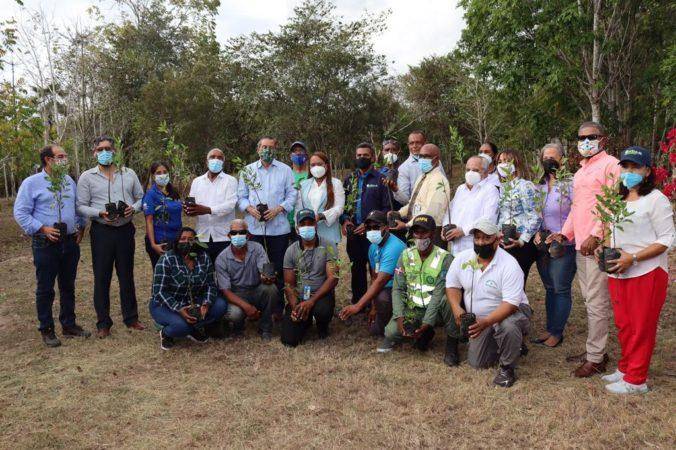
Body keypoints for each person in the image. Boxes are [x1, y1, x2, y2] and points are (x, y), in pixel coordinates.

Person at [598, 146, 674, 394]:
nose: (629, 172)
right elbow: (611, 232)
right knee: (624, 323)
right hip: (618, 270)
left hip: (646, 272)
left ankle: (636, 379)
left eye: (635, 167)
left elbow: (666, 240)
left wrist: (634, 257)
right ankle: (626, 367)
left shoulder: (656, 200)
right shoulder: (616, 200)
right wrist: (604, 247)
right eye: (626, 167)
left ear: (647, 171)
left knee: (642, 325)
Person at [549, 121, 621, 377]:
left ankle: (596, 357)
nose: (585, 142)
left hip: (597, 246)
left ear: (603, 139)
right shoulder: (580, 172)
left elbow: (614, 204)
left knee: (597, 302)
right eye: (581, 138)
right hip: (580, 245)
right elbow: (577, 209)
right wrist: (564, 233)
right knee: (590, 300)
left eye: (591, 137)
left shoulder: (611, 165)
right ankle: (596, 350)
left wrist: (597, 235)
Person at [14, 145, 90, 347]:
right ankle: (47, 329)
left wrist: (81, 226)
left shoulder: (68, 181)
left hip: (69, 242)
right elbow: (21, 213)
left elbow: (76, 207)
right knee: (46, 288)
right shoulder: (32, 183)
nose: (65, 159)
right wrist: (42, 228)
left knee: (68, 285)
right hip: (45, 244)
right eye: (61, 156)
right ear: (48, 159)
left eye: (65, 156)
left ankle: (69, 324)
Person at [445, 218, 532, 388]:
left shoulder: (509, 264)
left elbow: (511, 304)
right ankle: (510, 343)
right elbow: (452, 285)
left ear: (497, 240)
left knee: (508, 325)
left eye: (486, 238)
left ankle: (508, 368)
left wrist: (486, 322)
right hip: (481, 318)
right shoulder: (463, 258)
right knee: (477, 363)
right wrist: (457, 308)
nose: (480, 242)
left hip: (512, 310)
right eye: (477, 238)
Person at [76, 135, 145, 337]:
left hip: (125, 230)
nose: (104, 152)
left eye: (108, 148)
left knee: (126, 275)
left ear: (115, 151)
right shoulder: (87, 177)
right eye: (100, 149)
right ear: (94, 153)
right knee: (102, 277)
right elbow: (80, 206)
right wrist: (99, 213)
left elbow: (141, 198)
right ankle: (103, 323)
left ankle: (131, 318)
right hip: (102, 232)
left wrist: (134, 208)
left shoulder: (128, 173)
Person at [378, 215, 461, 364]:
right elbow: (397, 289)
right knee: (391, 333)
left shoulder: (445, 258)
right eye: (417, 232)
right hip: (414, 309)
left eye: (425, 232)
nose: (420, 237)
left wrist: (427, 322)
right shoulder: (405, 255)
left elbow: (438, 293)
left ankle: (452, 345)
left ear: (433, 234)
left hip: (437, 311)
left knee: (447, 300)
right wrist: (399, 316)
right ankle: (425, 333)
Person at [238, 136, 297, 299]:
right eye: (264, 147)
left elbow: (292, 194)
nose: (267, 150)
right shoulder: (247, 171)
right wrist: (249, 209)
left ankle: (277, 306)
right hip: (254, 228)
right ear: (258, 149)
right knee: (255, 266)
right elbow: (241, 196)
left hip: (278, 229)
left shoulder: (285, 170)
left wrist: (279, 209)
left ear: (275, 149)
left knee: (277, 266)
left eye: (270, 147)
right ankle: (257, 303)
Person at [149, 227, 227, 350]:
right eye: (183, 239)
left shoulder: (203, 257)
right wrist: (179, 309)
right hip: (166, 304)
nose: (186, 242)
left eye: (190, 239)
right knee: (181, 326)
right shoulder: (167, 259)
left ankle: (193, 327)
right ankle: (166, 332)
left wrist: (206, 304)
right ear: (176, 241)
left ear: (196, 241)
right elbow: (158, 291)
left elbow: (211, 284)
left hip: (193, 301)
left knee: (220, 305)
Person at [531, 143, 575, 348]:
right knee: (549, 287)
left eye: (553, 156)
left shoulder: (571, 184)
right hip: (543, 244)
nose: (549, 160)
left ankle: (557, 332)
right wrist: (536, 233)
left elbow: (577, 212)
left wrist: (563, 234)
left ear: (562, 159)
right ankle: (550, 328)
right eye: (545, 156)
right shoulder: (539, 185)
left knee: (560, 288)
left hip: (563, 243)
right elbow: (536, 214)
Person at [340, 143, 393, 304]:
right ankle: (358, 303)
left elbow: (386, 208)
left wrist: (369, 224)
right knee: (356, 269)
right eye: (359, 155)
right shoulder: (349, 179)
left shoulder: (381, 179)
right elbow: (342, 206)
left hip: (373, 234)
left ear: (373, 157)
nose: (361, 158)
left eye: (365, 155)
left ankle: (376, 305)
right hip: (354, 233)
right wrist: (345, 221)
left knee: (375, 269)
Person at [338, 210, 406, 335]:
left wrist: (357, 306)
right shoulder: (373, 246)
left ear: (386, 227)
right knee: (374, 330)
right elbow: (375, 277)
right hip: (386, 287)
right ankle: (385, 320)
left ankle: (397, 324)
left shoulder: (393, 247)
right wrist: (374, 308)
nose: (371, 231)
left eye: (376, 227)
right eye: (368, 228)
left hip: (401, 290)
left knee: (383, 299)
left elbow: (380, 281)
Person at [281, 209, 339, 346]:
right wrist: (296, 307)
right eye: (303, 224)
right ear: (297, 228)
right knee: (289, 341)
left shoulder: (329, 245)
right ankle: (304, 319)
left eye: (310, 223)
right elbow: (289, 284)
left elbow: (333, 278)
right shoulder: (291, 250)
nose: (307, 227)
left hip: (320, 295)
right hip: (300, 297)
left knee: (322, 310)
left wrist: (311, 301)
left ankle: (322, 325)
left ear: (316, 226)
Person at [215, 219, 278, 340]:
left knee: (271, 289)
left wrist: (266, 278)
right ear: (229, 236)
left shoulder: (257, 248)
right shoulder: (222, 258)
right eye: (234, 233)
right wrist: (247, 307)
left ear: (248, 235)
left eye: (242, 232)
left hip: (256, 289)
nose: (238, 236)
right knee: (235, 314)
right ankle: (237, 327)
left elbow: (263, 271)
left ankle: (265, 328)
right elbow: (226, 291)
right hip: (236, 294)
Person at [495, 149, 541, 284]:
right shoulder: (502, 188)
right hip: (504, 242)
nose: (503, 164)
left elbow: (535, 216)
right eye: (500, 162)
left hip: (520, 244)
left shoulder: (525, 186)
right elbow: (502, 215)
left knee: (516, 286)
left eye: (507, 161)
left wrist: (522, 240)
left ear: (516, 163)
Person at [391, 143, 450, 247]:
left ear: (436, 159)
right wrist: (399, 213)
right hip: (418, 228)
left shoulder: (439, 181)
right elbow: (413, 203)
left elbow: (429, 212)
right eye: (420, 156)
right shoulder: (422, 177)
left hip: (431, 232)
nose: (421, 159)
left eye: (426, 156)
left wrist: (406, 225)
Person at [186, 148, 238, 263]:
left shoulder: (231, 181)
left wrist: (207, 210)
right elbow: (192, 205)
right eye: (213, 157)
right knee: (204, 270)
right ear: (207, 161)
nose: (216, 160)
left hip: (224, 236)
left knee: (223, 271)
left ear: (223, 162)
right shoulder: (197, 182)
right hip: (202, 235)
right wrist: (189, 210)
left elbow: (230, 205)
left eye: (220, 158)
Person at [442, 155, 499, 256]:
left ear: (485, 172)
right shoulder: (461, 189)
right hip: (455, 246)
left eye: (475, 170)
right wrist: (445, 227)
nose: (470, 173)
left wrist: (463, 231)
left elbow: (488, 219)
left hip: (474, 246)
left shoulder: (490, 190)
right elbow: (449, 210)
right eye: (468, 169)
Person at [295, 151, 345, 245]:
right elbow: (298, 208)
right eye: (313, 165)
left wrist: (321, 216)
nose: (316, 167)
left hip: (329, 235)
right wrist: (297, 225)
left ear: (326, 165)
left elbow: (339, 208)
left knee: (329, 259)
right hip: (308, 235)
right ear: (309, 167)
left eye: (319, 164)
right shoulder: (303, 185)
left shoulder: (336, 183)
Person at [142, 161, 182, 268]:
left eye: (164, 172)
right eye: (158, 173)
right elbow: (149, 221)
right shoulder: (150, 195)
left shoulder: (173, 191)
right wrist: (153, 244)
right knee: (162, 274)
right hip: (160, 241)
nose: (162, 175)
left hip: (176, 239)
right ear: (153, 176)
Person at [392, 130, 426, 204]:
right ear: (408, 145)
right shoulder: (404, 168)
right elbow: (405, 200)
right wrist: (396, 190)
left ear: (424, 143)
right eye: (411, 143)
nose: (414, 146)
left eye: (418, 142)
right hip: (417, 211)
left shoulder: (435, 161)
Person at [288, 141, 310, 242]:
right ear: (290, 156)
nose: (297, 153)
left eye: (300, 150)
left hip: (305, 223)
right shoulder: (286, 174)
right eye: (295, 151)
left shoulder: (311, 175)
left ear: (306, 155)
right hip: (287, 223)